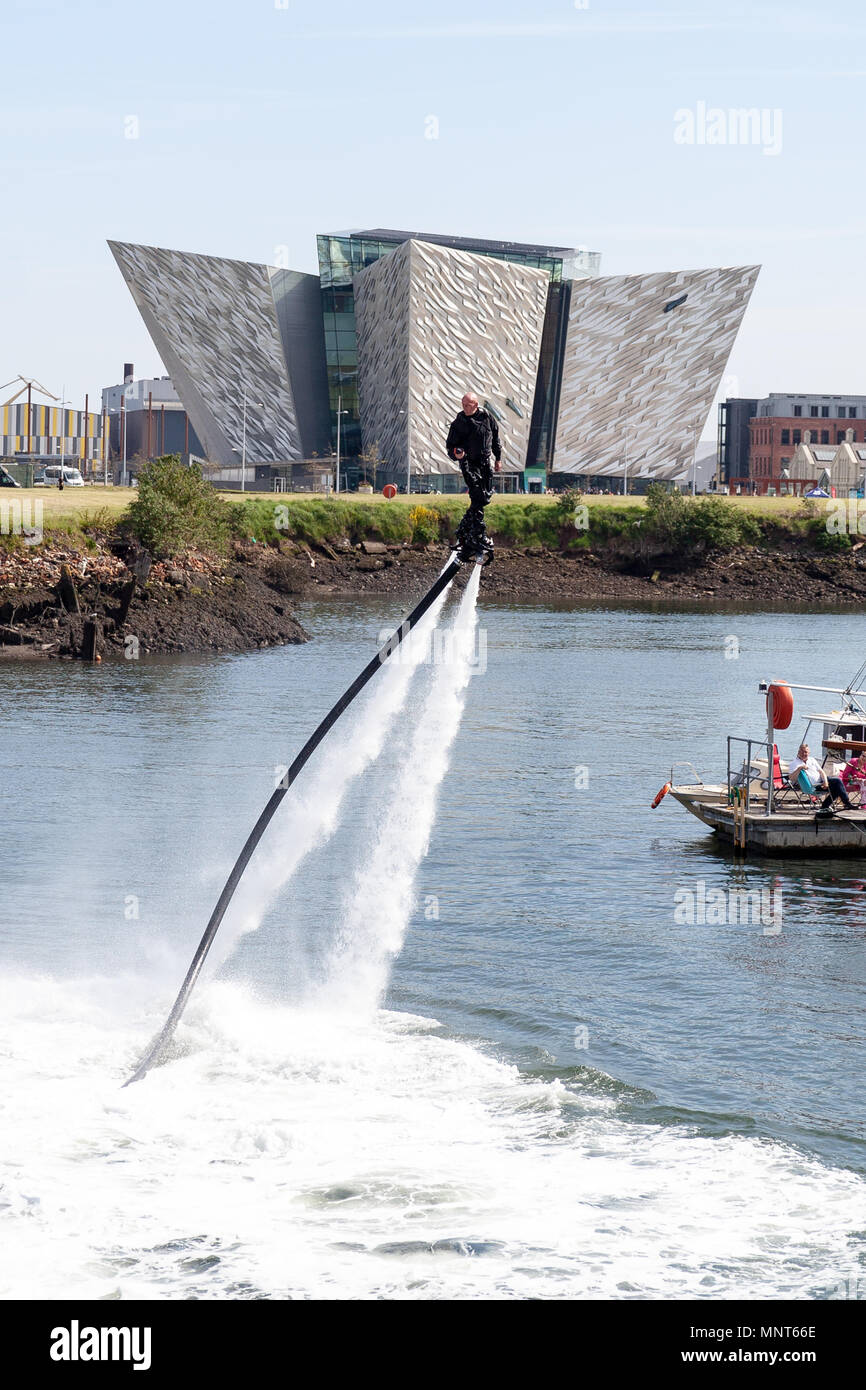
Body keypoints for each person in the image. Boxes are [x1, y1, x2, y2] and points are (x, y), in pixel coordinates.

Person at [445, 392, 501, 562]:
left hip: (485, 462)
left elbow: (496, 438)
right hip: (469, 463)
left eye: (468, 405)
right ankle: (474, 534)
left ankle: (466, 532)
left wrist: (498, 458)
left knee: (484, 498)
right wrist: (457, 454)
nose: (465, 408)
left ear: (476, 405)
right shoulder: (458, 423)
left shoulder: (487, 418)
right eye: (463, 404)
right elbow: (450, 448)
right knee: (478, 495)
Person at [789, 742, 853, 811]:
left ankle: (833, 805)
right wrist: (799, 768)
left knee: (837, 782)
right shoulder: (794, 763)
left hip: (821, 781)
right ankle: (844, 803)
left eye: (806, 752)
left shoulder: (812, 759)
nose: (804, 754)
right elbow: (792, 778)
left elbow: (821, 772)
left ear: (809, 752)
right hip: (813, 786)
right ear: (798, 752)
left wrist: (825, 781)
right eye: (802, 752)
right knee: (837, 786)